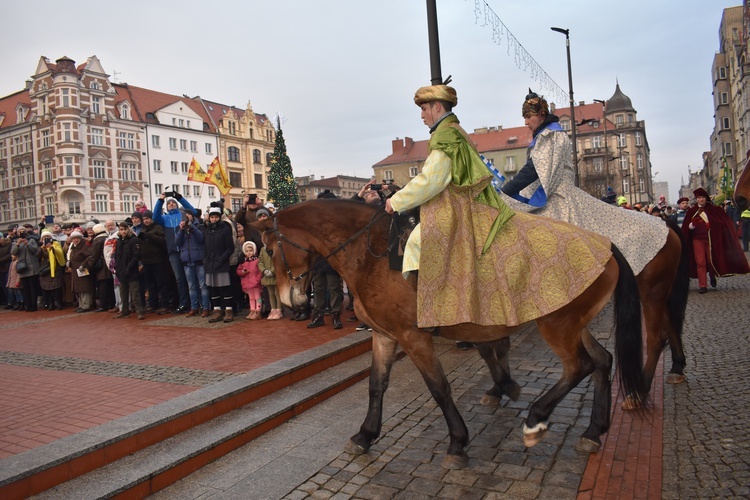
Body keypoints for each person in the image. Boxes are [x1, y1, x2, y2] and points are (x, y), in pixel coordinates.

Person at [385, 84, 612, 331]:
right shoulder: (455, 130)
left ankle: (431, 311)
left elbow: (433, 179)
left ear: (437, 107)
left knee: (419, 240)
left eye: (424, 109)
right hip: (471, 199)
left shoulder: (445, 135)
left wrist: (395, 200)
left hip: (460, 204)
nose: (422, 115)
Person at [498, 89, 669, 276]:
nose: (525, 122)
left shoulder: (552, 136)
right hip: (554, 193)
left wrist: (505, 191)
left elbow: (533, 169)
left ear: (541, 114)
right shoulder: (543, 137)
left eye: (528, 116)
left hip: (559, 197)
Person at [681, 187, 749, 293]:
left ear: (706, 198)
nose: (701, 200)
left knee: (710, 260)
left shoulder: (714, 210)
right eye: (699, 198)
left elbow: (722, 223)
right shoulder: (692, 211)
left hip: (710, 239)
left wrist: (711, 225)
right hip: (697, 240)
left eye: (703, 197)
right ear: (697, 199)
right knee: (700, 262)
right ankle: (703, 285)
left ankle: (712, 276)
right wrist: (693, 224)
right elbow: (686, 228)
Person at [153, 192, 197, 314]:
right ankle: (183, 304)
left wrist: (179, 198)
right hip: (173, 252)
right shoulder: (165, 218)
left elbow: (193, 211)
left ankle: (195, 303)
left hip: (186, 249)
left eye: (173, 203)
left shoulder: (183, 215)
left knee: (191, 278)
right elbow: (155, 217)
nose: (171, 204)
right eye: (169, 203)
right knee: (179, 279)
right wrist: (161, 200)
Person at [175, 211, 211, 317]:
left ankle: (205, 307)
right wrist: (181, 230)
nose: (187, 218)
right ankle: (194, 307)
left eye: (188, 215)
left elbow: (201, 238)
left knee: (203, 286)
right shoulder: (181, 229)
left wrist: (191, 227)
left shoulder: (199, 226)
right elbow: (177, 242)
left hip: (199, 261)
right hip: (187, 262)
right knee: (191, 287)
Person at [204, 205, 235, 323]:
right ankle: (216, 311)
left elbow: (230, 248)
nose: (214, 219)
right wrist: (205, 258)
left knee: (225, 288)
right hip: (209, 264)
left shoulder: (225, 229)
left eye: (216, 217)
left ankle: (228, 311)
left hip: (221, 264)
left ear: (219, 218)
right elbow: (204, 247)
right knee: (213, 289)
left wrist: (222, 259)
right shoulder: (207, 230)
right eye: (212, 217)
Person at [138, 210, 172, 314]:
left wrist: (149, 236)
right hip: (146, 261)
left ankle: (165, 305)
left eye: (147, 218)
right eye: (144, 219)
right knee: (150, 285)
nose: (146, 221)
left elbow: (162, 241)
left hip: (158, 260)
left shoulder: (158, 228)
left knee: (161, 284)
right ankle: (153, 304)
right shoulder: (143, 229)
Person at [113, 222, 145, 320]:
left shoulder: (134, 240)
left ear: (128, 229)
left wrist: (129, 268)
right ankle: (125, 311)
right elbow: (117, 256)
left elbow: (136, 256)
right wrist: (117, 268)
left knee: (135, 293)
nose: (123, 231)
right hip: (121, 270)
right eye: (121, 230)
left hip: (132, 270)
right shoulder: (118, 241)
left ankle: (140, 312)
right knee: (123, 292)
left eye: (125, 229)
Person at [11, 226, 41, 312]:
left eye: (23, 231)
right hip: (22, 268)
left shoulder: (31, 240)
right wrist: (18, 243)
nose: (22, 233)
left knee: (33, 288)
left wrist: (27, 243)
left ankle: (34, 306)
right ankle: (28, 305)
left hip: (32, 267)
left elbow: (34, 250)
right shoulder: (15, 242)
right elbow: (13, 253)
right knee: (25, 289)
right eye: (20, 232)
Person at [66, 229, 95, 312]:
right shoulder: (73, 247)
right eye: (74, 238)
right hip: (76, 271)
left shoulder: (84, 246)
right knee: (79, 289)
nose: (76, 240)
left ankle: (86, 305)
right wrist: (69, 263)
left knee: (85, 288)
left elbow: (90, 256)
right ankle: (81, 304)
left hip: (83, 270)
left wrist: (83, 264)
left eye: (77, 238)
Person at [36, 230, 66, 310]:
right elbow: (37, 257)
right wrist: (42, 249)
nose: (46, 238)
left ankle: (58, 303)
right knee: (46, 289)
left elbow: (60, 253)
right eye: (44, 237)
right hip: (45, 270)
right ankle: (50, 304)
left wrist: (51, 248)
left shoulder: (56, 244)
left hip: (55, 268)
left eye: (48, 237)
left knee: (56, 288)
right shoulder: (41, 246)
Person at [258, 228, 283, 320]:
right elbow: (260, 262)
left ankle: (279, 309)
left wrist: (272, 271)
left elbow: (278, 261)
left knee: (277, 293)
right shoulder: (262, 250)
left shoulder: (276, 248)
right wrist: (264, 270)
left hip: (275, 274)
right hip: (267, 275)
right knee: (270, 293)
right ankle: (273, 309)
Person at [237, 241, 263, 320]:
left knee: (257, 297)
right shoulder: (244, 262)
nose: (249, 253)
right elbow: (238, 271)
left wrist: (257, 280)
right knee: (251, 298)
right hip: (248, 284)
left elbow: (260, 272)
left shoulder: (257, 261)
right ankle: (252, 310)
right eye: (247, 251)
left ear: (254, 251)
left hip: (255, 284)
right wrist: (243, 272)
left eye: (251, 251)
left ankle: (258, 310)